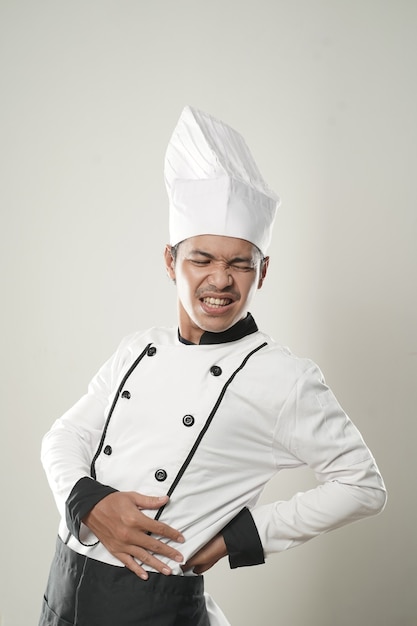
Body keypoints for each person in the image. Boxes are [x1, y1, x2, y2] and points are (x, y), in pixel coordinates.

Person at [39, 106, 387, 626]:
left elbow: (363, 486)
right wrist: (87, 501)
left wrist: (238, 536)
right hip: (64, 584)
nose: (220, 280)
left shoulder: (283, 377)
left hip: (154, 604)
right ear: (170, 262)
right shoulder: (137, 348)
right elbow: (63, 437)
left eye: (239, 263)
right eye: (201, 259)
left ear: (262, 272)